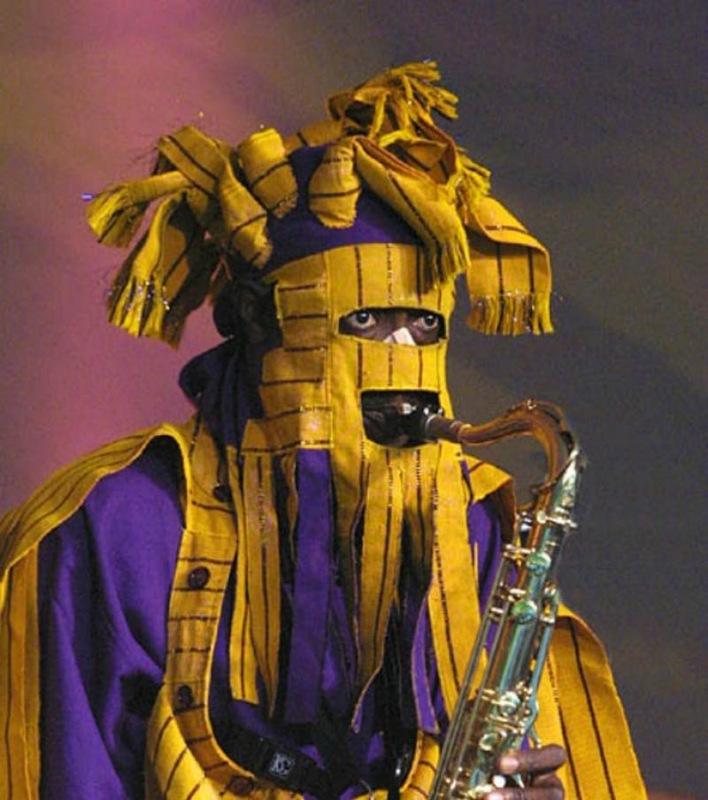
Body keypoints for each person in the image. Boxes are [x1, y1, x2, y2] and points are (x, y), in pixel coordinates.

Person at [0, 63, 646, 799]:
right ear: (260, 323)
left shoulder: (480, 525)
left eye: (423, 326)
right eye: (365, 320)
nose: (399, 360)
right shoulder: (116, 526)